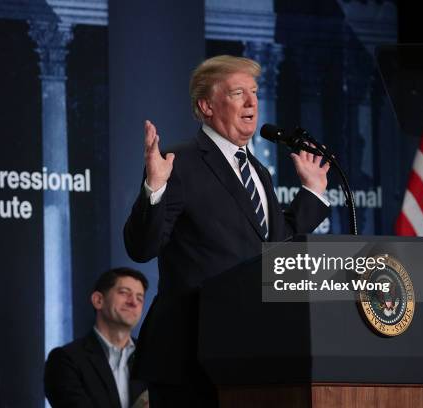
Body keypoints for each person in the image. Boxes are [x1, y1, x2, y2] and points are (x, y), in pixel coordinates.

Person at [124, 55, 331, 407]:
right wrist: (154, 190)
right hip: (191, 355)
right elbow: (142, 247)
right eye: (238, 93)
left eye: (253, 92)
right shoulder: (180, 162)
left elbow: (274, 251)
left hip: (252, 353)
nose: (252, 102)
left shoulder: (258, 171)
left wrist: (311, 194)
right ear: (206, 105)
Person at [44, 268, 149, 408]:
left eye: (140, 298)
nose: (133, 303)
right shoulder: (65, 360)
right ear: (98, 300)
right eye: (124, 293)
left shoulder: (151, 358)